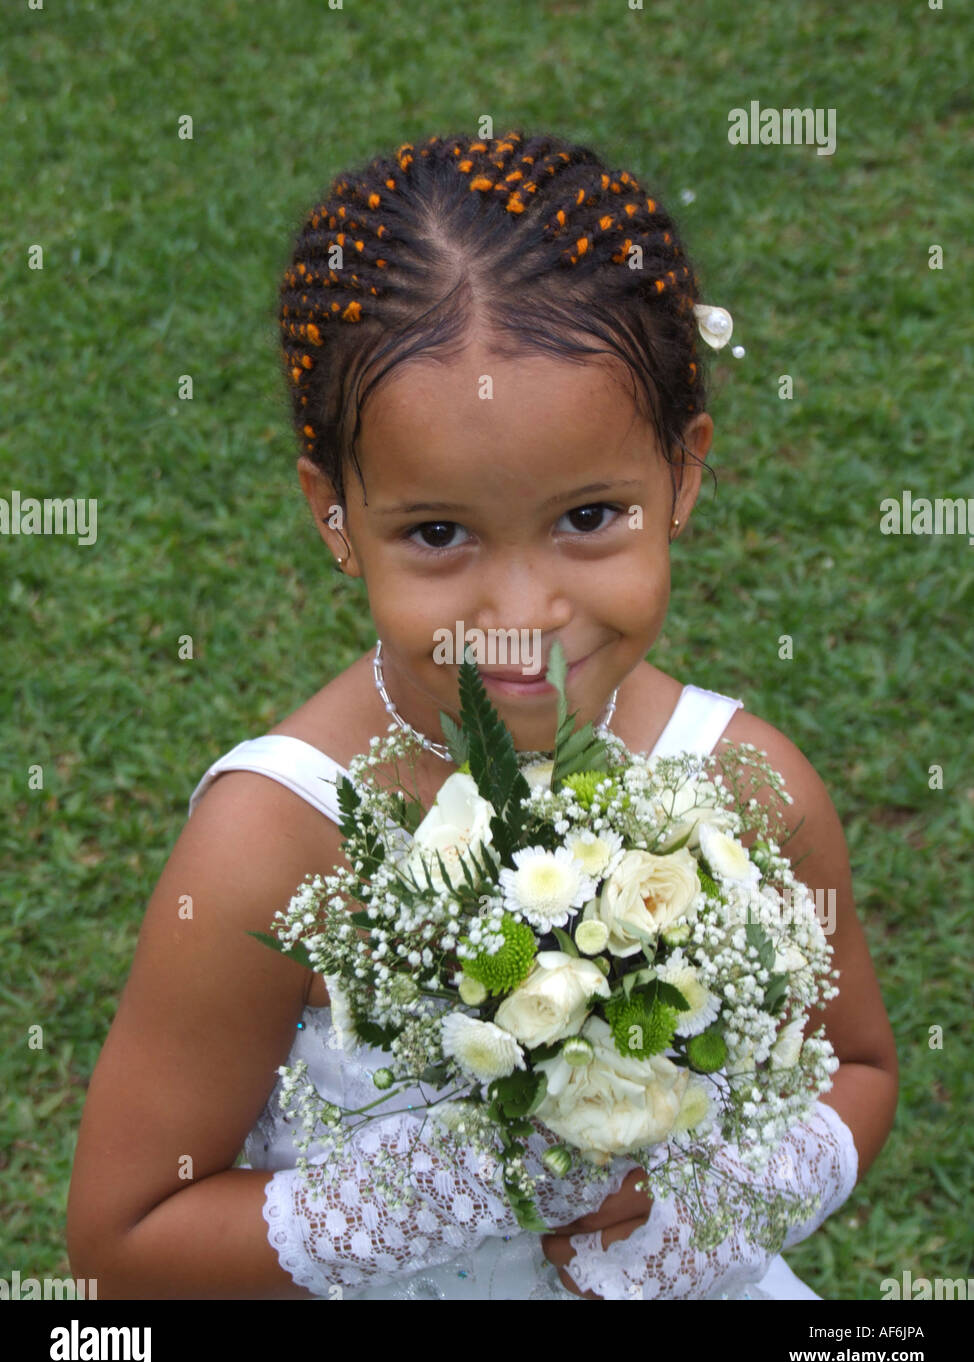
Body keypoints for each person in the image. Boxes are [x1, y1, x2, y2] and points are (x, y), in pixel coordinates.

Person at [66, 129, 898, 1300]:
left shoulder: (748, 783)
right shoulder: (270, 842)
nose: (522, 614)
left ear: (685, 474)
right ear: (335, 514)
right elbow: (120, 1243)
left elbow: (850, 1064)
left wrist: (718, 1212)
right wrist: (434, 1189)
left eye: (589, 515)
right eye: (439, 533)